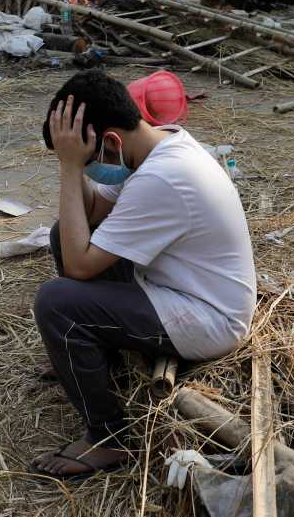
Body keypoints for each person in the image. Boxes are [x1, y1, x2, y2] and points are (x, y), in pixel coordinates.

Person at [29, 70, 255, 479]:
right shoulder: (158, 145)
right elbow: (94, 212)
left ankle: (107, 439)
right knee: (67, 231)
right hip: (177, 290)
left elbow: (80, 265)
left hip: (209, 318)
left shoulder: (162, 176)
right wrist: (76, 162)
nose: (88, 168)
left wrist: (68, 167)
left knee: (56, 303)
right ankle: (96, 356)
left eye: (89, 158)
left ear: (111, 141)